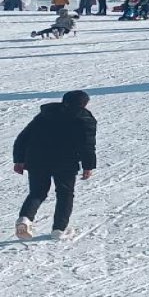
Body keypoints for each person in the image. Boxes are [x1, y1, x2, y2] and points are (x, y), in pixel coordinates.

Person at [13, 90, 97, 241]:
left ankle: (25, 218)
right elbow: (87, 145)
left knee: (37, 192)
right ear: (84, 104)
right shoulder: (85, 119)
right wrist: (88, 166)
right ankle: (59, 229)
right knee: (65, 194)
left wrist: (19, 159)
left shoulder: (46, 114)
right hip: (65, 162)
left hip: (37, 159)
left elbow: (23, 137)